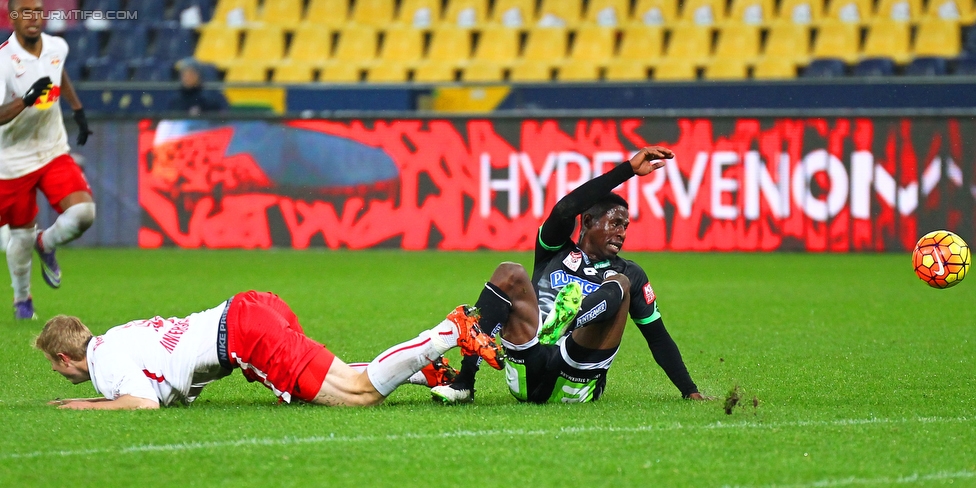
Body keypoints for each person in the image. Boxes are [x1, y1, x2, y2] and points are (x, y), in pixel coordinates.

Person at [432, 146, 709, 404]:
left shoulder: (630, 273)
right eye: (615, 223)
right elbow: (565, 208)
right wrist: (626, 170)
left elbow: (657, 336)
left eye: (625, 226)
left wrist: (690, 390)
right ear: (587, 222)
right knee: (510, 271)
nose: (622, 232)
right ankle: (465, 381)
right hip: (530, 364)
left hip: (576, 377)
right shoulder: (554, 250)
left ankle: (569, 320)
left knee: (620, 284)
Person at [34, 290, 503, 409]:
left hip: (244, 336)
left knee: (359, 393)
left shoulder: (103, 362)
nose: (61, 377)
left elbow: (141, 403)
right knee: (322, 386)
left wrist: (78, 403)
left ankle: (450, 329)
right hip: (250, 309)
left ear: (63, 358)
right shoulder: (113, 336)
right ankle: (430, 372)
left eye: (57, 371)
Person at [0, 0, 95, 320]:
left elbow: (59, 73)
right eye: (25, 11)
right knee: (19, 237)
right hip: (12, 161)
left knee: (83, 214)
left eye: (38, 11)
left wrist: (78, 110)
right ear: (12, 17)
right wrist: (27, 99)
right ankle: (22, 299)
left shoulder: (57, 45)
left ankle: (47, 242)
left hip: (52, 150)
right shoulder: (3, 60)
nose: (33, 17)